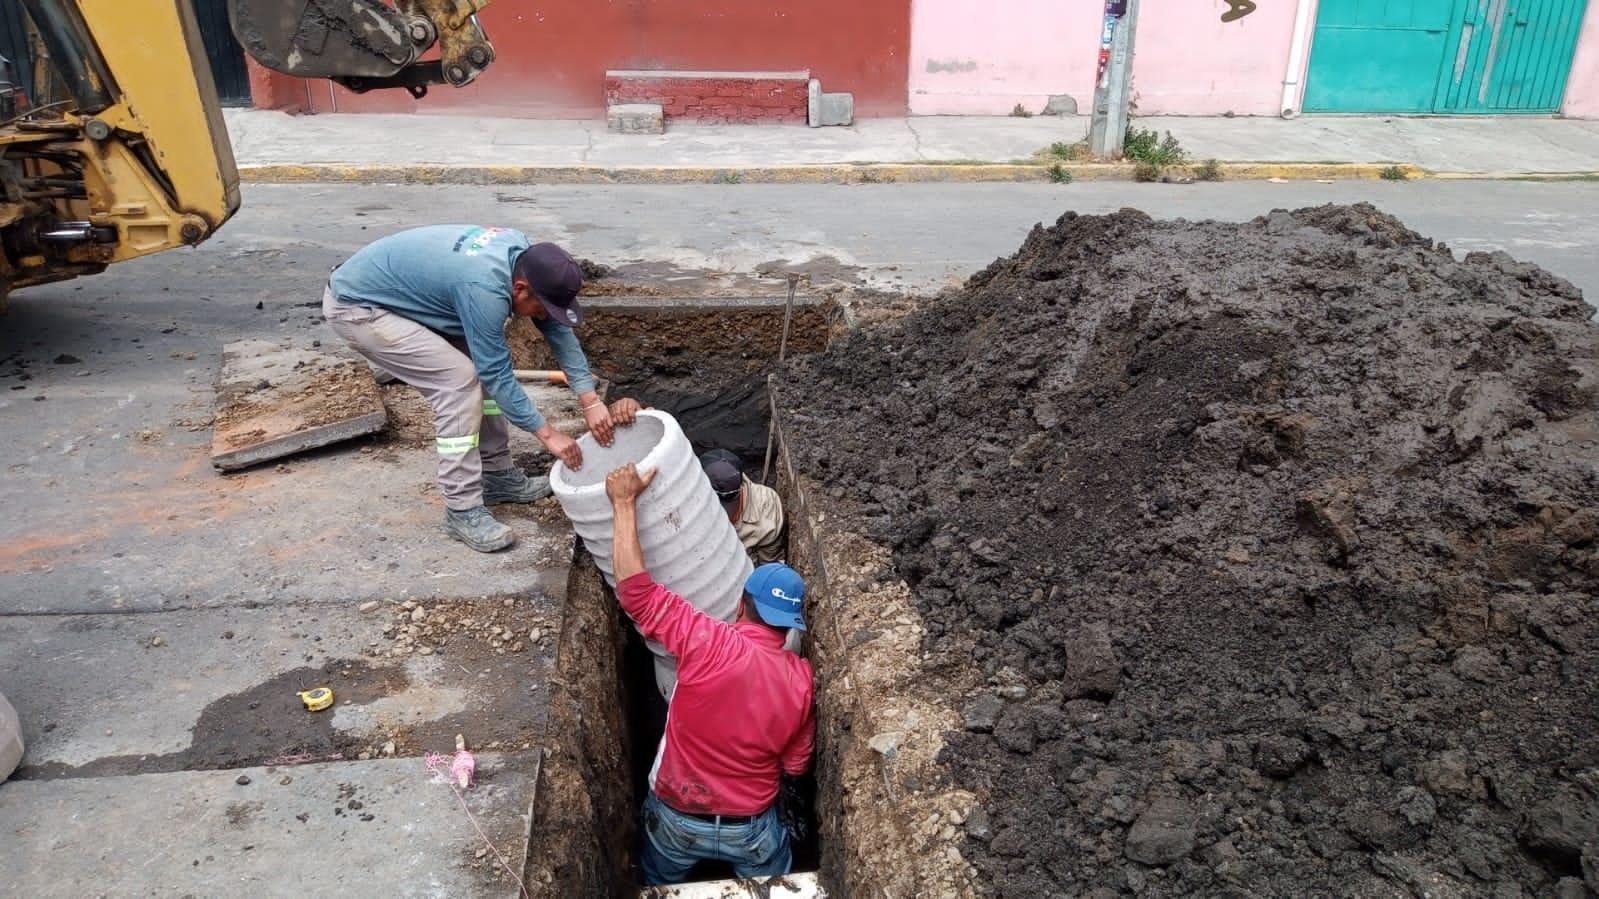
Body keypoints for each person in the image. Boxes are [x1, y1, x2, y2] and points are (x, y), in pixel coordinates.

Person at [323, 225, 619, 553]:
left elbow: (558, 331)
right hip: (361, 307)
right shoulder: (484, 289)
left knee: (481, 371)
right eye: (540, 308)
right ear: (520, 289)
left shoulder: (526, 261)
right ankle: (462, 508)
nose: (542, 316)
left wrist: (590, 401)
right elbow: (496, 373)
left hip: (412, 296)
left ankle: (496, 476)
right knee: (458, 382)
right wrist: (549, 434)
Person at [605, 463, 814, 884]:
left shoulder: (706, 641)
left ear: (741, 604)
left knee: (661, 883)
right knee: (776, 888)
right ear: (792, 625)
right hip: (751, 827)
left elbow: (634, 592)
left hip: (677, 817)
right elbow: (795, 765)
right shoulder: (803, 680)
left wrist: (625, 503)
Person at [700, 449, 785, 564]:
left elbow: (768, 565)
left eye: (724, 506)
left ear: (740, 489)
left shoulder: (765, 507)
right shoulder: (678, 501)